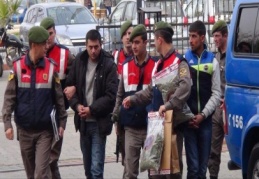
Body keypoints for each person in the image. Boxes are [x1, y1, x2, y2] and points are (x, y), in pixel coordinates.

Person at [122, 21, 193, 179]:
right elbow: (150, 92)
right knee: (156, 173)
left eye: (154, 39)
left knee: (173, 171)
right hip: (156, 127)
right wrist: (132, 99)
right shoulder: (158, 63)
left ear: (160, 39)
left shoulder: (179, 62)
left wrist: (168, 105)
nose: (154, 43)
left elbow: (185, 87)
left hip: (172, 126)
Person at [2, 26, 68, 179]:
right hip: (24, 132)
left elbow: (59, 99)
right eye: (43, 44)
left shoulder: (51, 68)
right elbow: (9, 98)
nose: (47, 47)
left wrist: (62, 123)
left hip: (44, 132)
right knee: (31, 175)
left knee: (40, 175)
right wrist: (7, 124)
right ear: (34, 45)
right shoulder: (18, 67)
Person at [65, 29, 118, 178]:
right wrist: (76, 106)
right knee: (88, 169)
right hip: (83, 123)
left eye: (96, 47)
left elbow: (111, 96)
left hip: (99, 123)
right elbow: (70, 88)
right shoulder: (80, 61)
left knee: (96, 170)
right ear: (85, 46)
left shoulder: (108, 64)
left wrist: (91, 109)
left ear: (101, 45)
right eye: (90, 47)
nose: (93, 51)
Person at [112, 24, 156, 179]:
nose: (134, 46)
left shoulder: (155, 66)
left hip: (150, 127)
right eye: (132, 42)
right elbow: (119, 95)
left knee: (154, 172)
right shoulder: (125, 66)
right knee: (130, 172)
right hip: (130, 127)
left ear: (146, 42)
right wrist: (117, 118)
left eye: (137, 42)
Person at [184, 20, 221, 179]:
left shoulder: (212, 61)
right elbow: (180, 91)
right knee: (193, 168)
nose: (190, 40)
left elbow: (216, 93)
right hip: (189, 121)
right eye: (189, 36)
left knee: (202, 169)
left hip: (205, 122)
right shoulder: (184, 60)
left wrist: (203, 115)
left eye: (194, 36)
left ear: (202, 38)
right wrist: (189, 116)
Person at [40, 17, 74, 179]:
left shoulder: (64, 53)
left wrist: (72, 87)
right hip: (39, 115)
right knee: (44, 159)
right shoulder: (36, 54)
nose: (48, 37)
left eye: (51, 33)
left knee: (52, 158)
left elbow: (76, 74)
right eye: (45, 34)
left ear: (55, 32)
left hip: (57, 115)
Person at [112, 20, 133, 176]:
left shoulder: (138, 56)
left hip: (137, 109)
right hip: (121, 110)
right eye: (125, 34)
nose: (128, 37)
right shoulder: (116, 57)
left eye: (130, 34)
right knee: (125, 151)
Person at [207, 20, 228, 179]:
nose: (215, 39)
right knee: (213, 149)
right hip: (217, 108)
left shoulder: (233, 56)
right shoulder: (215, 57)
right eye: (213, 36)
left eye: (217, 36)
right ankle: (213, 176)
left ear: (225, 35)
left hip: (230, 106)